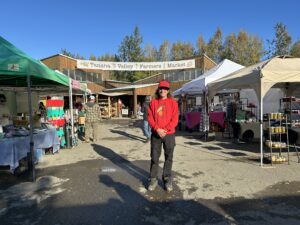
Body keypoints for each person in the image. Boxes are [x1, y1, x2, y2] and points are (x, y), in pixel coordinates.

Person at [147, 80, 179, 192]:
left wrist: (165, 130)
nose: (162, 90)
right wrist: (157, 129)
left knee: (168, 157)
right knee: (154, 158)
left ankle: (167, 178)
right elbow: (150, 118)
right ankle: (153, 179)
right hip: (156, 134)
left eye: (165, 88)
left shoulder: (173, 103)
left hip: (169, 134)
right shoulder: (153, 102)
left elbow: (175, 119)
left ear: (168, 90)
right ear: (158, 89)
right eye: (161, 88)